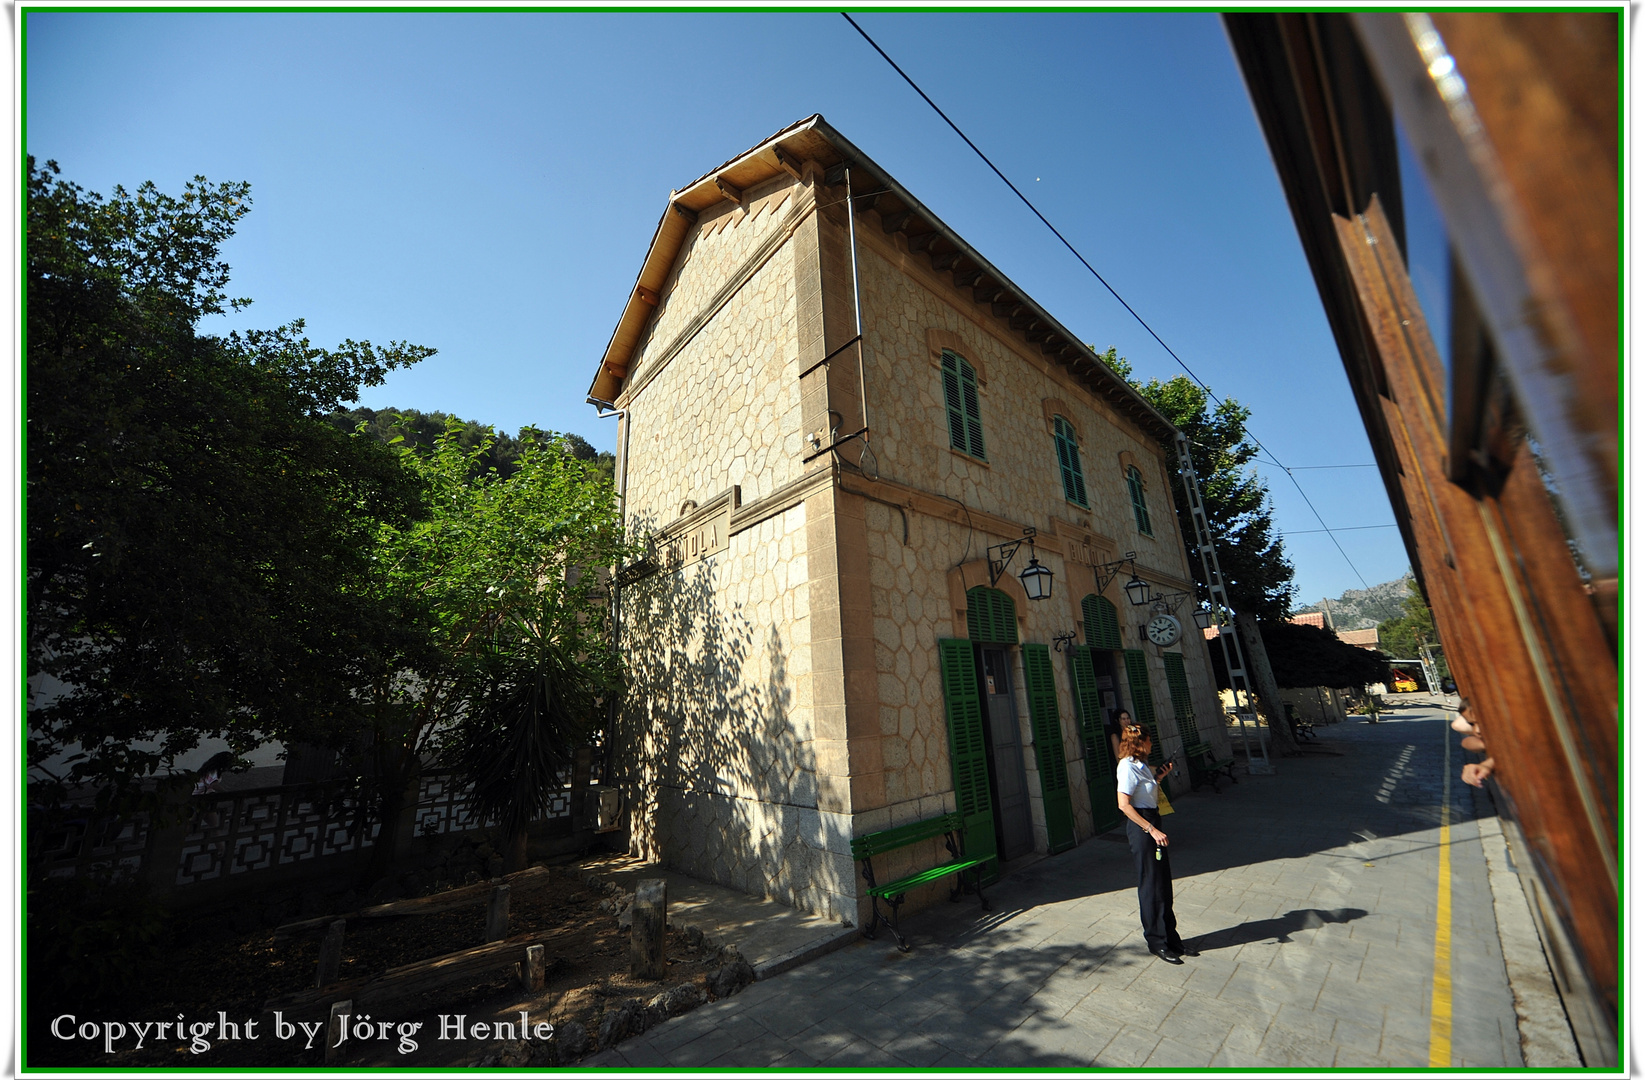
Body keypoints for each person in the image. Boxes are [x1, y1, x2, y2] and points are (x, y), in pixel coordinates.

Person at [1115, 723, 1194, 963]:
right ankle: (1156, 941)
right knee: (1150, 885)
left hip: (1152, 821)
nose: (1151, 744)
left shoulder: (1141, 766)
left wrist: (1159, 776)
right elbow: (1124, 805)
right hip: (1143, 827)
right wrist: (1150, 830)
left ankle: (1172, 938)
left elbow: (1147, 793)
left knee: (1163, 883)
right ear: (1140, 743)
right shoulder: (1127, 767)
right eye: (1149, 741)